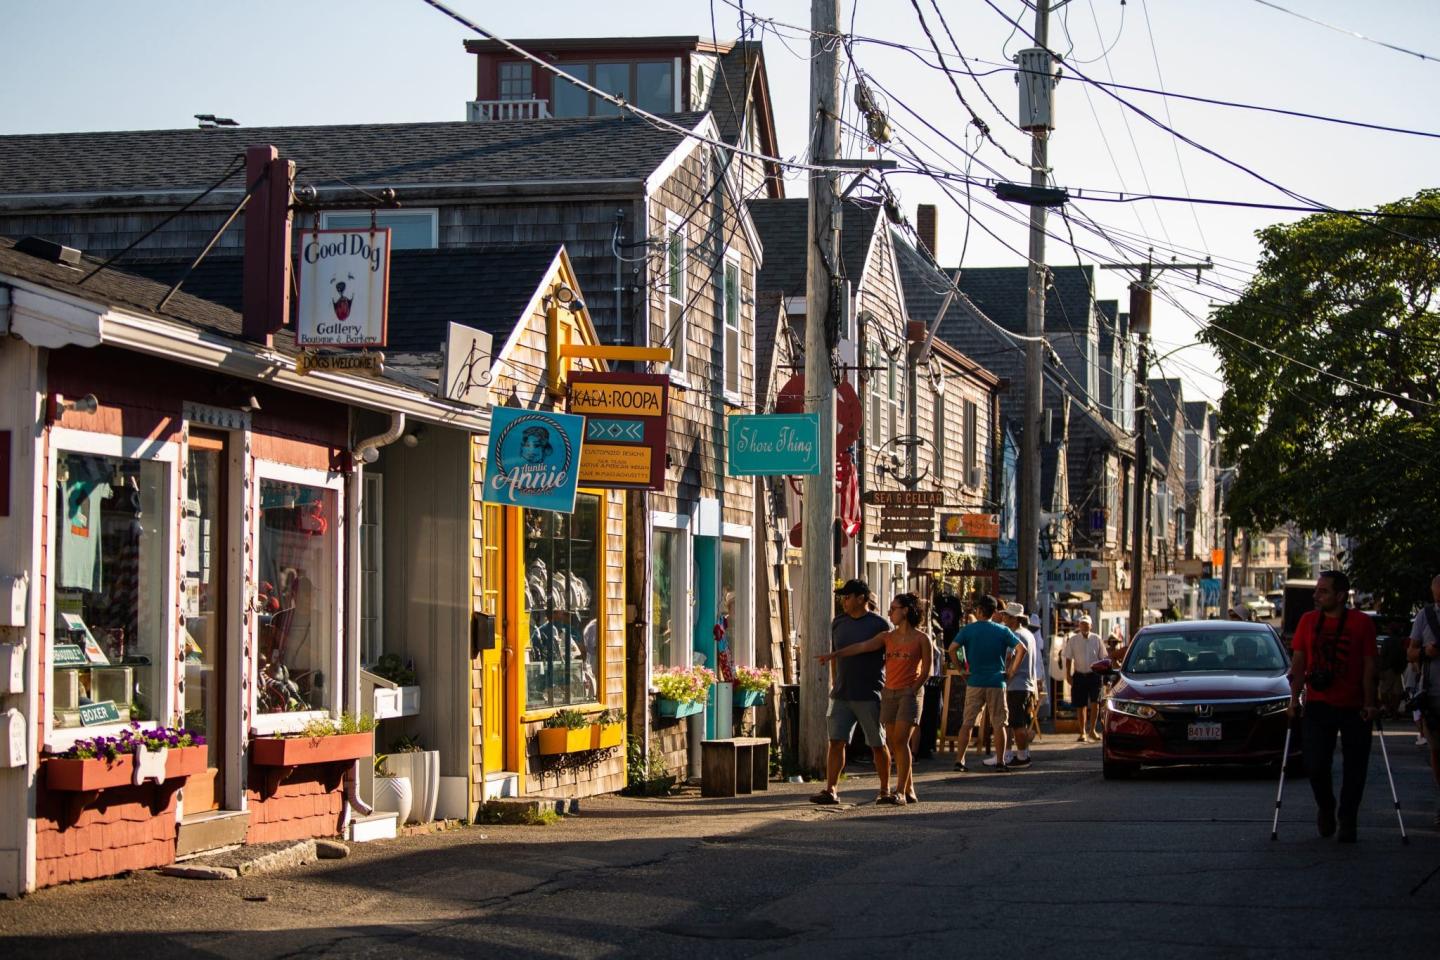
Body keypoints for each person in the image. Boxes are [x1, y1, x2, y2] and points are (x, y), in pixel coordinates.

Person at [1287, 570, 1378, 842]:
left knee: (1355, 768)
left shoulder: (1361, 624)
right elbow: (1299, 663)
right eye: (1317, 590)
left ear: (1340, 596)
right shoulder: (1307, 621)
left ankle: (1348, 818)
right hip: (1318, 704)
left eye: (1323, 591)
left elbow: (1370, 665)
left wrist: (1370, 702)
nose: (1316, 596)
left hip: (1354, 706)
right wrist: (1294, 699)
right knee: (1314, 764)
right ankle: (1326, 807)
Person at [821, 592, 933, 804]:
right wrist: (835, 654)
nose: (889, 613)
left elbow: (927, 670)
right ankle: (909, 788)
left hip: (909, 693)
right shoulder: (887, 637)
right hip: (889, 692)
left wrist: (913, 689)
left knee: (901, 740)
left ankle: (898, 792)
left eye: (893, 609)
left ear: (906, 611)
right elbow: (862, 647)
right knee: (893, 741)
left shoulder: (921, 638)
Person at [810, 579, 891, 805]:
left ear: (861, 598)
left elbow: (889, 658)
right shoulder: (838, 623)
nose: (844, 601)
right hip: (842, 694)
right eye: (843, 597)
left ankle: (885, 789)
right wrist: (834, 684)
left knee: (877, 743)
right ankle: (831, 789)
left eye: (848, 597)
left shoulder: (880, 624)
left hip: (869, 693)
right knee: (836, 741)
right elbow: (837, 656)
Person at [947, 594, 1025, 772]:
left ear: (980, 610)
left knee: (967, 722)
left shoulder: (969, 630)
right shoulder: (1002, 630)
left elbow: (952, 649)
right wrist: (1011, 671)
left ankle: (960, 760)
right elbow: (1021, 649)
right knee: (999, 724)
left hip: (975, 680)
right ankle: (1000, 761)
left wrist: (961, 670)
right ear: (993, 612)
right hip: (997, 681)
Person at [1405, 573, 1440, 825]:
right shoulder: (1425, 616)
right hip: (1434, 695)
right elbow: (1410, 652)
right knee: (1437, 750)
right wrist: (1425, 652)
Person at [992, 601, 1039, 768]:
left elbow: (1010, 657)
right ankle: (1012, 754)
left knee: (1017, 723)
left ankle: (1022, 756)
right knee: (1016, 722)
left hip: (1017, 684)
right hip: (1026, 683)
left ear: (1015, 618)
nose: (1003, 617)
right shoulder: (1028, 634)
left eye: (1006, 615)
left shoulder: (1016, 635)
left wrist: (1008, 673)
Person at [1063, 616, 1106, 743]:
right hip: (1079, 675)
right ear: (1079, 625)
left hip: (1094, 675)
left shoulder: (1096, 638)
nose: (1085, 627)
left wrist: (1103, 673)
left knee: (1095, 703)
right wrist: (1068, 675)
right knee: (1080, 705)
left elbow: (1103, 657)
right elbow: (1068, 659)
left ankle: (1092, 730)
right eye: (1082, 624)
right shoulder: (1073, 640)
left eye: (1087, 624)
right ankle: (1082, 732)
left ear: (1091, 626)